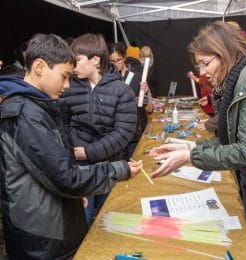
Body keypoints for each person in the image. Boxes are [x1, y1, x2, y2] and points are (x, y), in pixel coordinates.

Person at [0, 33, 142, 259]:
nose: (67, 85)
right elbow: (65, 177)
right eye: (64, 76)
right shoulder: (25, 115)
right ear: (39, 67)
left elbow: (51, 168)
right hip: (43, 237)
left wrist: (72, 196)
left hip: (52, 222)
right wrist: (119, 169)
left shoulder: (40, 106)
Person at [149, 21, 246, 240]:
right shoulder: (239, 78)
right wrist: (191, 146)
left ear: (224, 53)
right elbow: (233, 141)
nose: (202, 72)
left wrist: (190, 156)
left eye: (205, 63)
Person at [63, 33, 138, 228]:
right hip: (80, 170)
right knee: (82, 222)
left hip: (110, 167)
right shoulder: (68, 88)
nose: (72, 66)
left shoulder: (122, 91)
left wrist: (88, 152)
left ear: (95, 59)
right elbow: (61, 125)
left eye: (77, 60)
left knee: (109, 224)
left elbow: (123, 133)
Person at [109, 41, 154, 159]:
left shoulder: (136, 77)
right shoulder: (107, 79)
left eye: (118, 60)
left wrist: (146, 92)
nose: (115, 64)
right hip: (115, 134)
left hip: (134, 132)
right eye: (112, 61)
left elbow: (150, 109)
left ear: (124, 58)